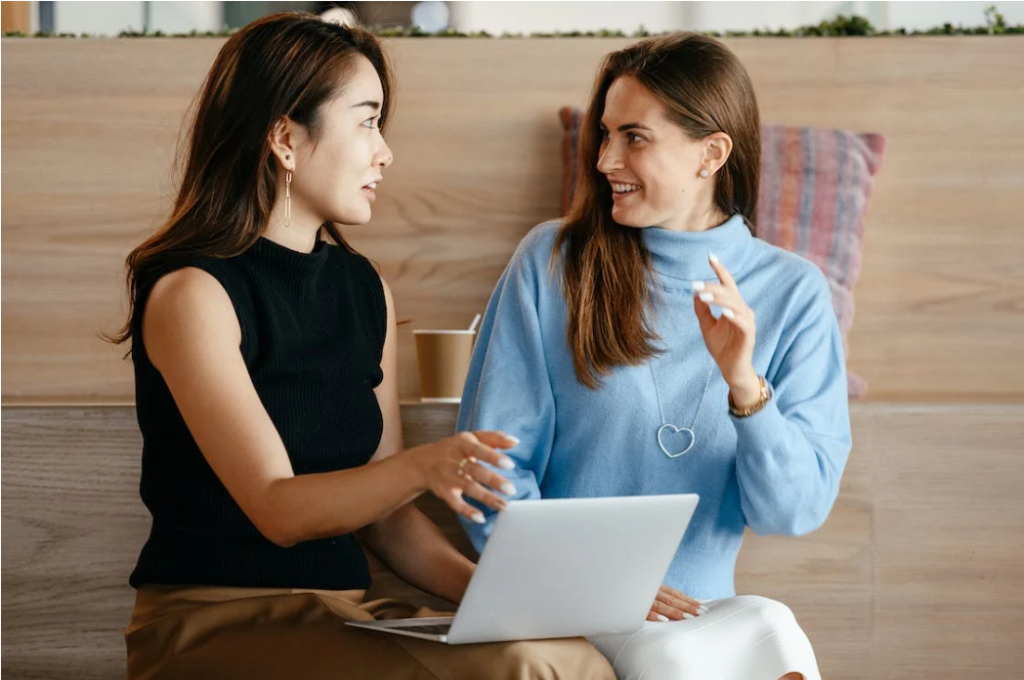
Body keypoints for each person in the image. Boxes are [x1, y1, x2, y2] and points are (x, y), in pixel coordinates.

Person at [108, 13, 614, 680]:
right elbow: (277, 508)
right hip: (212, 619)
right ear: (286, 138)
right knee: (521, 671)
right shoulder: (193, 294)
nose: (386, 152)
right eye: (366, 120)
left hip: (344, 612)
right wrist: (424, 466)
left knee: (568, 657)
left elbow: (390, 524)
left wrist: (512, 602)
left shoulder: (363, 288)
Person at [458, 32, 852, 680]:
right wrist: (598, 585)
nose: (606, 158)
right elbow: (488, 476)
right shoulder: (553, 262)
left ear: (712, 152)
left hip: (703, 610)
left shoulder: (794, 292)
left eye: (634, 137)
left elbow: (794, 510)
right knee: (679, 655)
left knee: (774, 626)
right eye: (604, 134)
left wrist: (744, 386)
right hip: (569, 605)